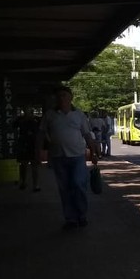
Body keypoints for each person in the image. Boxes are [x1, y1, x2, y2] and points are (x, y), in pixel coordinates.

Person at [36, 86, 100, 229]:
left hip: (77, 156)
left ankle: (81, 215)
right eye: (58, 96)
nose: (61, 98)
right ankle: (70, 218)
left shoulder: (79, 115)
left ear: (71, 97)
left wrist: (94, 153)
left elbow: (87, 135)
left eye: (64, 95)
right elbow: (41, 134)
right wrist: (39, 151)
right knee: (64, 188)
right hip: (58, 156)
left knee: (78, 184)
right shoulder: (50, 115)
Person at [13, 108, 41, 191]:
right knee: (23, 165)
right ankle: (23, 182)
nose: (27, 114)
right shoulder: (21, 120)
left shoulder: (36, 120)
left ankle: (35, 185)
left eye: (29, 112)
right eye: (26, 112)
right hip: (24, 144)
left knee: (34, 166)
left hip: (33, 144)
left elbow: (40, 130)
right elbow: (14, 125)